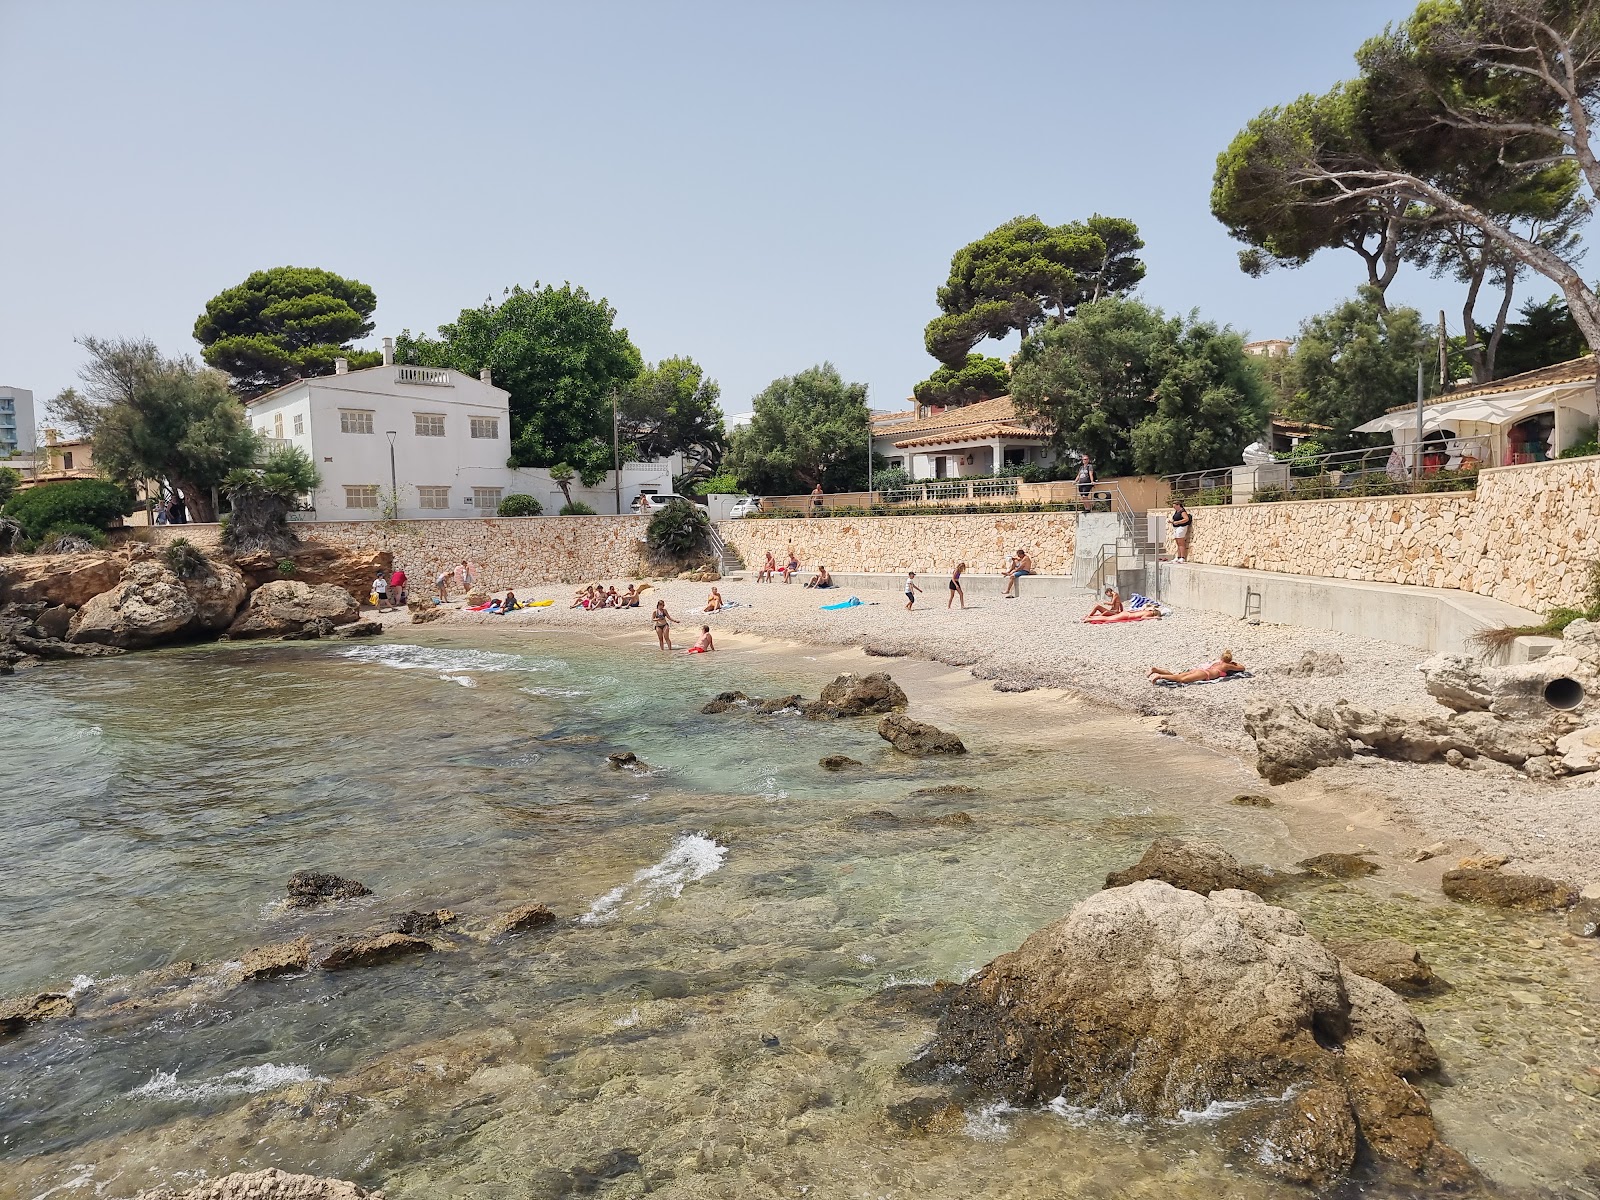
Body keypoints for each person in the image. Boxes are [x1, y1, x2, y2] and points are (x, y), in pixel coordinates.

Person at [1148, 650, 1247, 684]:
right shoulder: (1227, 666)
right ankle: (1159, 676)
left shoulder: (1218, 662)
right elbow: (1242, 668)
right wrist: (1233, 663)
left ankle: (1157, 670)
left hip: (1200, 670)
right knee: (1181, 679)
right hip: (1205, 674)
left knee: (1177, 676)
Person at [1170, 499, 1192, 564]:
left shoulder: (1182, 511)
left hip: (1181, 527)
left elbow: (1186, 519)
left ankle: (1182, 557)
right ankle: (1178, 556)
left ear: (1178, 505)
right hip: (1176, 527)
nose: (1174, 508)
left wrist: (1177, 522)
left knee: (1181, 542)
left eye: (1175, 506)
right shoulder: (1177, 511)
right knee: (1178, 542)